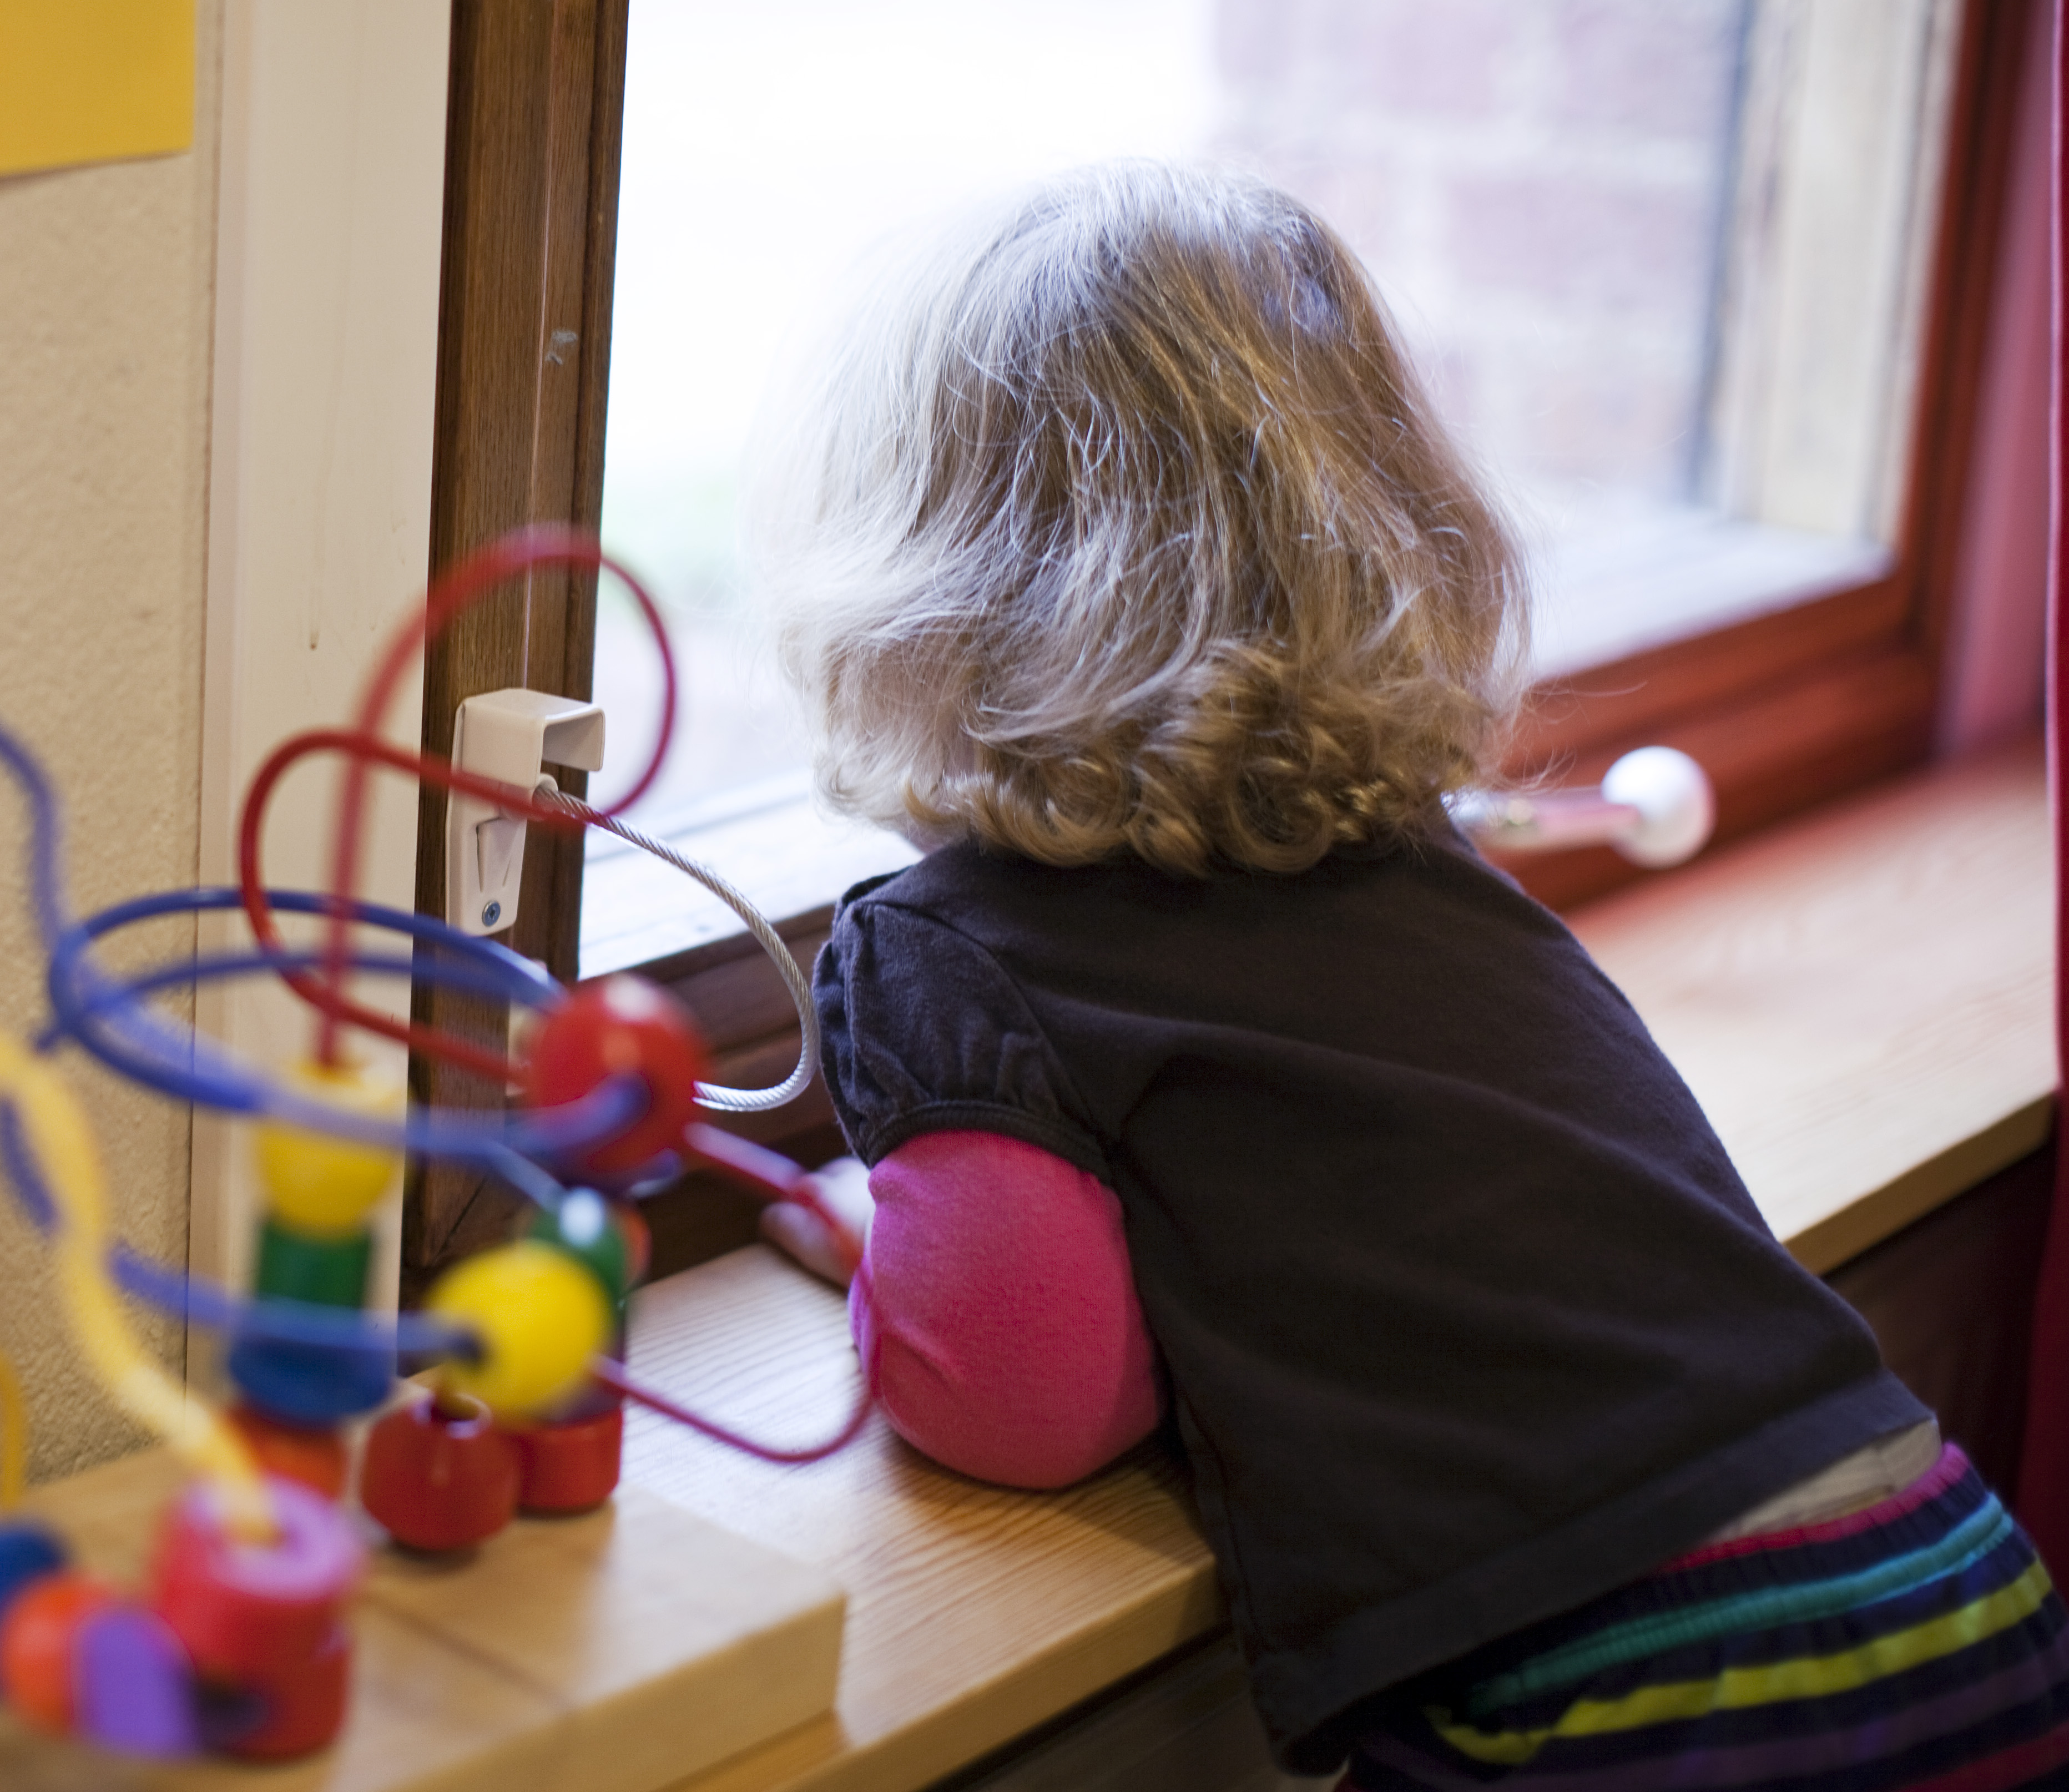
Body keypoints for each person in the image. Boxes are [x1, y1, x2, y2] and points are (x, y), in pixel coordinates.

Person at [745, 162, 2069, 1786]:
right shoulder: (1428, 867)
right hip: (1949, 1576)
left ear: (918, 589)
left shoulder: (952, 956)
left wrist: (866, 1231)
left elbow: (1031, 1406)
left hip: (1656, 1700)